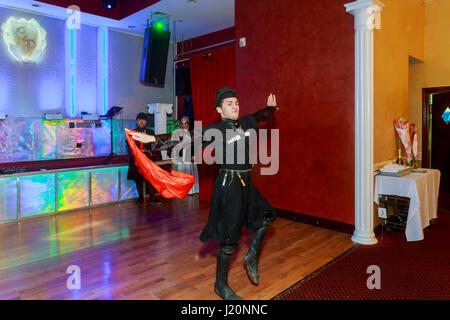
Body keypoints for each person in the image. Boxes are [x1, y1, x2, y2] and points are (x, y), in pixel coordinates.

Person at [129, 87, 279, 300]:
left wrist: (270, 109)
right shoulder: (215, 130)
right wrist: (153, 141)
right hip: (229, 185)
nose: (235, 106)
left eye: (236, 102)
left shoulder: (246, 122)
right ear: (219, 109)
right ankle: (221, 285)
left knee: (268, 215)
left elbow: (261, 116)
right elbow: (184, 138)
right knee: (230, 240)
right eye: (229, 103)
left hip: (246, 182)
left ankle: (252, 255)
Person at [127, 112, 162, 205]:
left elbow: (154, 144)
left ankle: (153, 197)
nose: (141, 121)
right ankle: (140, 197)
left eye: (143, 120)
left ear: (146, 121)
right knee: (138, 178)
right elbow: (129, 145)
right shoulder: (132, 132)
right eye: (139, 120)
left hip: (147, 159)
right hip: (136, 159)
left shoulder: (150, 132)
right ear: (136, 121)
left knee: (150, 178)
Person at [172, 116, 199, 194]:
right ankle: (183, 190)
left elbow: (195, 145)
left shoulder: (192, 134)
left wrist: (194, 155)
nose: (183, 125)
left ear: (188, 124)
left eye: (185, 123)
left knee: (189, 174)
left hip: (190, 156)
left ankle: (191, 190)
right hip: (181, 156)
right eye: (182, 124)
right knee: (182, 174)